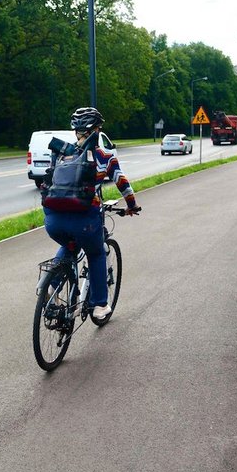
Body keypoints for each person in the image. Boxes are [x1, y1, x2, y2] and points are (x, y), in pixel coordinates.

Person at [42, 107, 140, 322]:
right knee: (95, 253)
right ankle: (100, 306)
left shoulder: (60, 153)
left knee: (68, 245)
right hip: (84, 219)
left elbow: (48, 182)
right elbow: (122, 182)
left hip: (53, 219)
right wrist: (131, 205)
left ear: (75, 131)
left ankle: (51, 285)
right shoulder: (104, 156)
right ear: (96, 129)